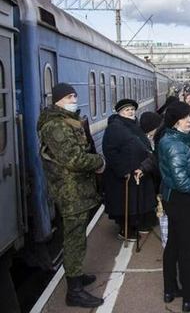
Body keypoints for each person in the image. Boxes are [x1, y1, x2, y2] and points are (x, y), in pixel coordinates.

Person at [37, 83, 105, 307]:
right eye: (68, 96)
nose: (73, 99)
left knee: (77, 238)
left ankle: (76, 275)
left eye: (74, 95)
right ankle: (74, 292)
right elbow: (74, 159)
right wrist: (99, 161)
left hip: (77, 189)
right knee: (74, 239)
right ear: (57, 100)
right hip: (71, 191)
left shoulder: (65, 121)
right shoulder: (56, 126)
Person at [157, 101, 190, 311]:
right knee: (185, 250)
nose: (189, 121)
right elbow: (182, 181)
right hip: (182, 200)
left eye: (189, 116)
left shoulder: (171, 139)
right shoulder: (175, 144)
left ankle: (170, 290)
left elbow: (179, 169)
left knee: (173, 246)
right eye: (183, 118)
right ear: (174, 121)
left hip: (172, 199)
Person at [102, 99, 157, 239]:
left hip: (139, 171)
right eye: (127, 110)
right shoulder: (114, 128)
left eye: (132, 109)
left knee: (137, 201)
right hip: (124, 175)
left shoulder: (134, 124)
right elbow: (110, 151)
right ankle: (125, 230)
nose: (131, 112)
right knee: (125, 204)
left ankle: (137, 224)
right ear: (120, 112)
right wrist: (122, 171)